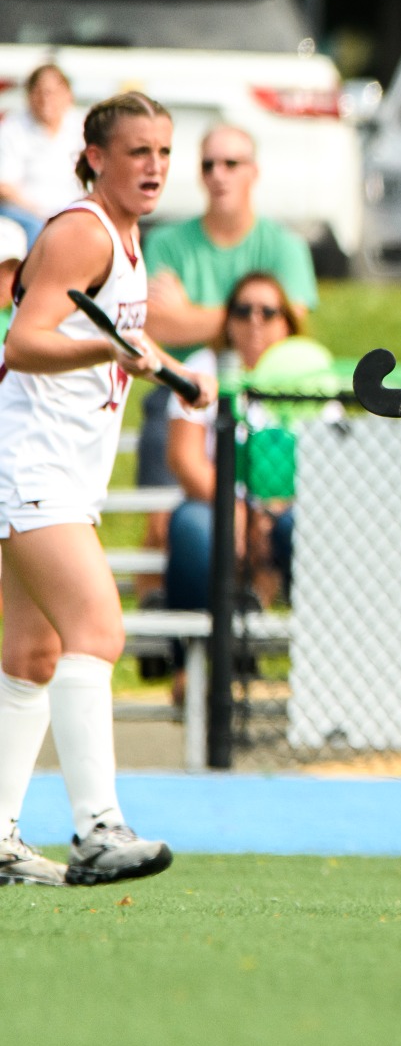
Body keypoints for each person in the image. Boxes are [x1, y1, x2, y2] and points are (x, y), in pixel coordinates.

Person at [0, 91, 212, 887]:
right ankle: (97, 827)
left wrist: (176, 371)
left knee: (35, 652)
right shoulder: (82, 231)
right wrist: (109, 354)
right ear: (96, 157)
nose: (154, 166)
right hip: (32, 464)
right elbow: (25, 342)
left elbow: (116, 328)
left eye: (163, 152)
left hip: (58, 470)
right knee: (97, 626)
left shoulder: (125, 234)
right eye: (137, 152)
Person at [141, 125, 320, 585]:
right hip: (182, 386)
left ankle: (258, 593)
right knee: (169, 524)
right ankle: (160, 610)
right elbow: (154, 326)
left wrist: (191, 314)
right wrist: (239, 317)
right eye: (208, 164)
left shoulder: (285, 245)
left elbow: (293, 321)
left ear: (254, 171)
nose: (218, 174)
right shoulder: (166, 241)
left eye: (231, 163)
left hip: (271, 395)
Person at [162, 273, 312, 631]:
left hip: (290, 506)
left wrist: (271, 511)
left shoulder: (308, 371)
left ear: (287, 323)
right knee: (193, 528)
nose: (254, 321)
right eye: (242, 311)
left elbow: (326, 460)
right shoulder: (203, 368)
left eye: (268, 312)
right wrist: (236, 508)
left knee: (301, 528)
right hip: (214, 501)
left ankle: (320, 639)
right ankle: (201, 649)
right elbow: (185, 460)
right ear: (227, 321)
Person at [0, 64, 84, 247]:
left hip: (75, 213)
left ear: (68, 95)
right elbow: (5, 186)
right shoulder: (12, 129)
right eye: (40, 92)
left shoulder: (82, 127)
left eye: (52, 92)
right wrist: (43, 214)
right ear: (29, 96)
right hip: (25, 215)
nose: (46, 99)